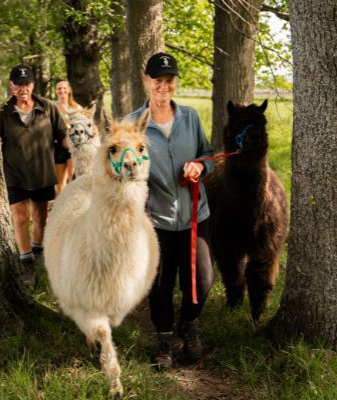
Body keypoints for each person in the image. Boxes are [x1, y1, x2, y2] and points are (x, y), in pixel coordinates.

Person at [127, 52, 215, 369]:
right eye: (157, 81)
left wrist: (199, 166)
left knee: (202, 280)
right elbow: (121, 169)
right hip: (155, 221)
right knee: (161, 283)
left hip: (195, 216)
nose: (163, 87)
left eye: (169, 81)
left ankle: (187, 327)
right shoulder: (132, 124)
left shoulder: (190, 117)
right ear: (146, 82)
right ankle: (165, 341)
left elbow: (208, 155)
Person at [0, 64, 67, 283]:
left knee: (40, 218)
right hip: (14, 174)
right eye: (18, 84)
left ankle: (37, 252)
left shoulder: (48, 107)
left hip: (42, 173)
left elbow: (63, 135)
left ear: (33, 85)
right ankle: (26, 263)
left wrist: (80, 143)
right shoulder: (2, 112)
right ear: (11, 86)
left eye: (26, 84)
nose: (22, 88)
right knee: (20, 217)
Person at [53, 80, 81, 193]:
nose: (62, 90)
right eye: (59, 88)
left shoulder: (77, 107)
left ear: (69, 90)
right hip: (57, 145)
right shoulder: (52, 107)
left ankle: (74, 205)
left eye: (64, 88)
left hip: (73, 145)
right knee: (60, 180)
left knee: (73, 177)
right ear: (56, 91)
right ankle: (61, 204)